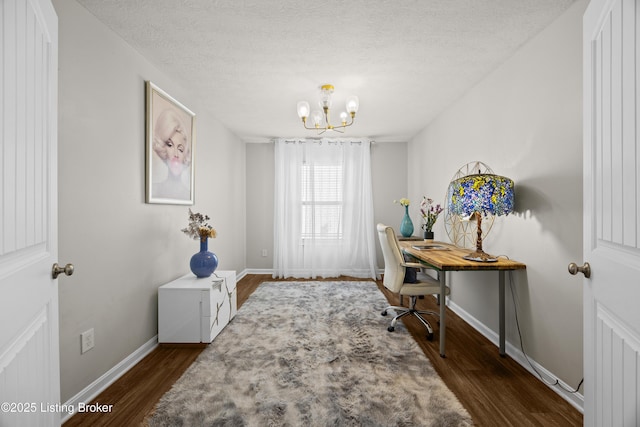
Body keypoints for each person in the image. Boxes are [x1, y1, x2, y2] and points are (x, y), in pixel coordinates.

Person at [152, 108, 191, 200]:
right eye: (170, 145)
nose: (176, 154)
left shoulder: (188, 195)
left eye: (180, 149)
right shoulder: (154, 189)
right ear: (163, 149)